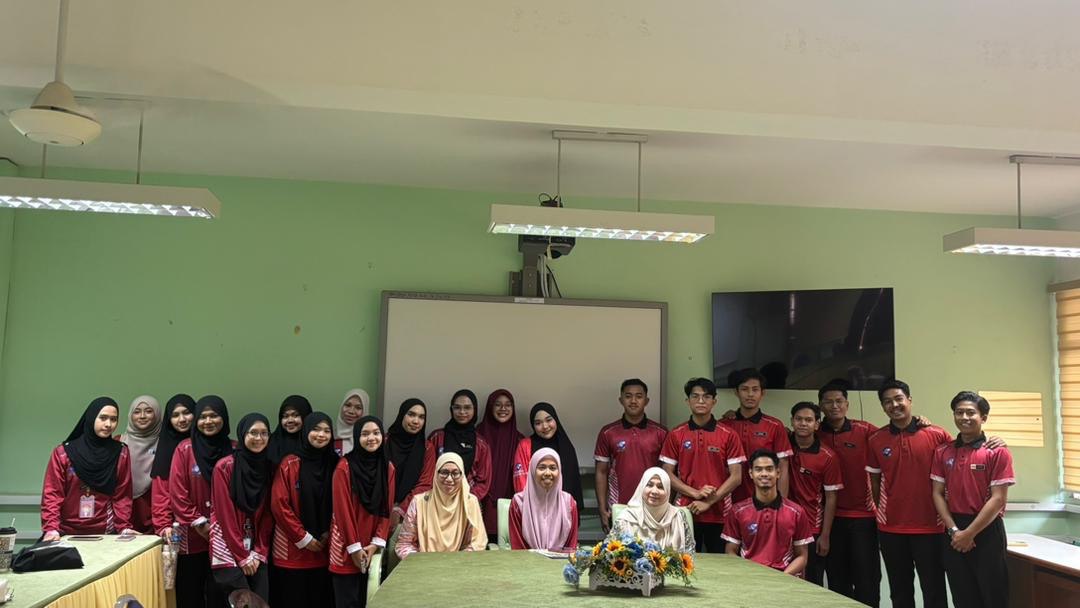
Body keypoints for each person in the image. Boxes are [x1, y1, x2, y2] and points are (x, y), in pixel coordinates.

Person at [866, 379, 951, 608]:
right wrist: (883, 512)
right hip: (891, 529)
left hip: (931, 527)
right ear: (883, 407)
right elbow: (875, 482)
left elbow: (954, 472)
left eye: (898, 399)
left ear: (909, 400)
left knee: (934, 590)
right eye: (887, 402)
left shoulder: (938, 435)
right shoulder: (875, 439)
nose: (894, 405)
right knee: (900, 591)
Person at [930, 392, 1015, 608]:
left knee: (994, 596)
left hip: (986, 529)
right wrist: (954, 531)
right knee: (962, 597)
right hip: (954, 531)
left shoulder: (997, 452)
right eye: (959, 413)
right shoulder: (943, 451)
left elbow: (998, 499)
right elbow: (937, 493)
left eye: (971, 413)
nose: (964, 417)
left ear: (983, 417)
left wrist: (969, 534)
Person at [660, 378, 745, 553]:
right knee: (686, 564)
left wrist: (708, 502)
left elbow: (736, 477)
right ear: (687, 401)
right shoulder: (676, 434)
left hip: (721, 513)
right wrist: (695, 493)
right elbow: (666, 473)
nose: (701, 401)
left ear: (714, 401)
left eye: (706, 397)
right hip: (685, 511)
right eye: (695, 396)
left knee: (720, 564)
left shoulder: (729, 434)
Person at [816, 380, 881, 606]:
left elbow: (894, 435)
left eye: (839, 401)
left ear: (847, 404)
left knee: (867, 580)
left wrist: (920, 422)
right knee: (837, 580)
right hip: (830, 520)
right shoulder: (814, 433)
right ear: (820, 405)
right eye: (828, 402)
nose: (834, 406)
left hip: (864, 517)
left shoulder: (866, 430)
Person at [169, 395, 232, 608]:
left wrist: (220, 528)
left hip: (226, 537)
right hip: (192, 536)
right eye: (203, 417)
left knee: (221, 594)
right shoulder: (185, 449)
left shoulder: (235, 449)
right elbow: (178, 494)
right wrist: (200, 523)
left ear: (224, 418)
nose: (208, 421)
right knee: (190, 593)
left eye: (214, 416)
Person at [41, 396, 134, 539]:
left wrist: (123, 527)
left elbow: (122, 495)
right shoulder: (64, 453)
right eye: (103, 418)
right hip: (66, 531)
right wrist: (51, 528)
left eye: (113, 419)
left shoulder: (121, 453)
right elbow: (53, 494)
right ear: (91, 418)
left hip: (106, 531)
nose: (108, 424)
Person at [270, 412, 337, 608]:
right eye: (315, 429)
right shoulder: (290, 463)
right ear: (306, 431)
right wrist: (304, 538)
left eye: (326, 431)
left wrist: (327, 533)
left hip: (324, 548)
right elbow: (279, 505)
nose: (321, 435)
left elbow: (341, 504)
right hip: (292, 550)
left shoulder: (336, 464)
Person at [330, 416, 394, 608]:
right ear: (357, 437)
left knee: (370, 600)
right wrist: (355, 548)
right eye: (365, 434)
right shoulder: (344, 467)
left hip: (371, 547)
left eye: (376, 433)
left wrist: (375, 544)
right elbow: (342, 512)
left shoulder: (388, 468)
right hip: (345, 546)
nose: (371, 438)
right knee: (346, 601)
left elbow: (386, 510)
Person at [210, 413, 273, 602]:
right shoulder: (224, 467)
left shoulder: (269, 467)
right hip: (227, 547)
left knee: (260, 601)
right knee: (241, 601)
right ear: (243, 434)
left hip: (256, 549)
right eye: (253, 433)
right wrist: (242, 556)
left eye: (264, 433)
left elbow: (268, 514)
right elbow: (225, 515)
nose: (259, 438)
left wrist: (259, 551)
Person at [723, 450, 814, 576]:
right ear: (751, 474)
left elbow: (802, 556)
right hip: (750, 576)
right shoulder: (737, 511)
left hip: (784, 577)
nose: (764, 474)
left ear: (778, 473)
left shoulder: (797, 512)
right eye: (758, 469)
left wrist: (781, 577)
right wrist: (747, 574)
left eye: (769, 469)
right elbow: (730, 552)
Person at [594, 378, 668, 532]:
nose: (633, 401)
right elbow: (601, 472)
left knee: (653, 548)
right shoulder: (608, 432)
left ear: (646, 401)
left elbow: (668, 474)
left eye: (639, 396)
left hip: (653, 507)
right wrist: (602, 508)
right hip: (619, 507)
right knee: (620, 547)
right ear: (621, 400)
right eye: (628, 396)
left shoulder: (661, 433)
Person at [787, 401, 843, 586]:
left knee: (811, 582)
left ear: (817, 424)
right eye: (799, 419)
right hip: (784, 525)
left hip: (812, 528)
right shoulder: (782, 447)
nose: (803, 423)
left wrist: (825, 535)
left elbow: (831, 497)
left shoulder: (828, 456)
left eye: (808, 420)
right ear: (792, 421)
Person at [720, 368, 793, 502]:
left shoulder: (775, 426)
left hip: (764, 500)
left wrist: (781, 504)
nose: (750, 394)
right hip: (728, 499)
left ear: (762, 393)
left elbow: (783, 467)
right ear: (736, 392)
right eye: (744, 389)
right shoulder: (723, 426)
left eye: (755, 390)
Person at [396, 452, 487, 559]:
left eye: (455, 473)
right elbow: (404, 544)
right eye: (444, 472)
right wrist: (422, 561)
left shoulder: (470, 502)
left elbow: (477, 544)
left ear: (462, 475)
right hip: (424, 564)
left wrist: (455, 562)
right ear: (436, 473)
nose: (449, 479)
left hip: (458, 564)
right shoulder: (419, 502)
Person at [513, 402, 584, 516]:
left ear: (556, 420)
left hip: (563, 511)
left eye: (549, 420)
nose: (545, 426)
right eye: (538, 423)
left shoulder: (567, 447)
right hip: (534, 511)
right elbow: (521, 482)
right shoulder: (525, 445)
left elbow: (573, 484)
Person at [476, 388, 524, 543]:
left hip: (510, 505)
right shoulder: (476, 435)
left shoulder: (520, 440)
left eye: (508, 405)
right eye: (498, 404)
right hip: (480, 503)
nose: (503, 408)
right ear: (490, 407)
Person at [427, 389, 492, 504]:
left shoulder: (481, 444)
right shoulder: (437, 437)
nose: (462, 412)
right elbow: (427, 472)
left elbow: (483, 481)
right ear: (451, 410)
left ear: (474, 410)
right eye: (457, 407)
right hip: (437, 500)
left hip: (467, 503)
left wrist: (466, 499)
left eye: (467, 408)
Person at [610, 467, 694, 554]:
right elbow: (611, 553)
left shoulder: (678, 517)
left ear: (668, 491)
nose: (654, 491)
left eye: (660, 487)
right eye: (649, 485)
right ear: (642, 487)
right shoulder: (626, 518)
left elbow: (689, 552)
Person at [508, 447, 578, 551]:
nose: (548, 473)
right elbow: (518, 548)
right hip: (527, 560)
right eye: (542, 467)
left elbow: (571, 547)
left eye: (553, 468)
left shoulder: (569, 503)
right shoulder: (518, 503)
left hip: (560, 560)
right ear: (532, 470)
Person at [150, 394, 196, 540]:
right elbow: (161, 492)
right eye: (175, 415)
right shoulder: (166, 448)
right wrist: (164, 525)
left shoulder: (209, 446)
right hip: (178, 529)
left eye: (186, 413)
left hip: (210, 526)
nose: (182, 419)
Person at [120, 394, 163, 533]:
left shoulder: (166, 445)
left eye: (149, 411)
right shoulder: (118, 443)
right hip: (123, 515)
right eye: (137, 412)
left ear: (157, 414)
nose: (142, 416)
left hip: (157, 516)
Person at [386, 398, 432, 527]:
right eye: (411, 415)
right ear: (402, 415)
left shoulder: (427, 448)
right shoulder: (384, 442)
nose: (416, 421)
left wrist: (400, 509)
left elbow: (425, 484)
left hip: (411, 514)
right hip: (380, 510)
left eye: (421, 417)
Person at [266, 394, 314, 468]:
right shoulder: (270, 442)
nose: (290, 420)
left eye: (295, 415)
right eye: (285, 416)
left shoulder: (315, 442)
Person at [334, 389, 369, 456]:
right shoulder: (328, 437)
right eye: (348, 405)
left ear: (365, 411)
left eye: (358, 408)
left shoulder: (371, 440)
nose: (351, 411)